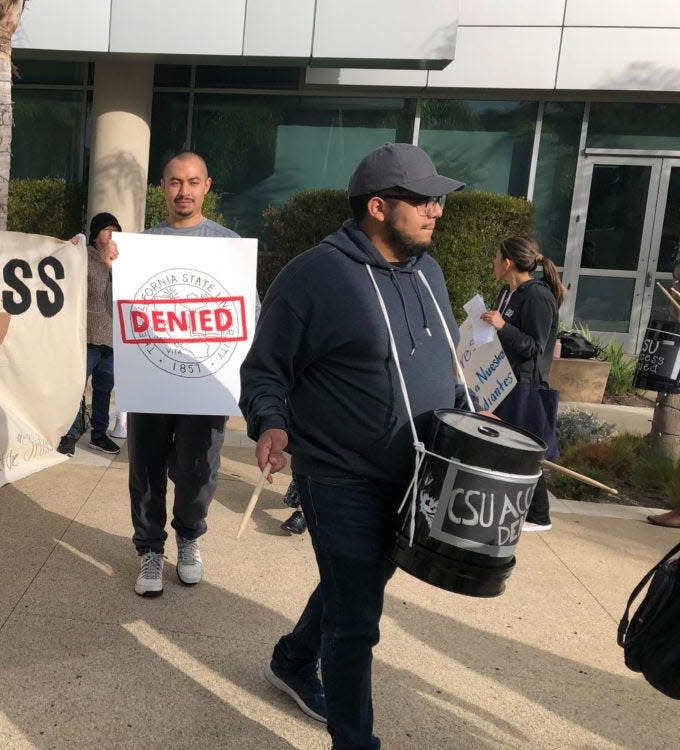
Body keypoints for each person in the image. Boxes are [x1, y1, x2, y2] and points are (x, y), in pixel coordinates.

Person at [239, 143, 465, 749]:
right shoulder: (316, 275)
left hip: (415, 469)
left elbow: (438, 357)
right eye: (421, 200)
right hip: (338, 473)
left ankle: (291, 658)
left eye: (436, 199)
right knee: (358, 618)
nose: (436, 210)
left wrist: (468, 411)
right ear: (377, 206)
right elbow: (264, 370)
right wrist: (270, 422)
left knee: (355, 584)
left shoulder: (430, 271)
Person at [128, 151, 239, 597]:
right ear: (163, 187)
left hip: (206, 386)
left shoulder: (228, 245)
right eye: (175, 182)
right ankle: (151, 550)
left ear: (207, 186)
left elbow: (244, 314)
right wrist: (109, 258)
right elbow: (125, 307)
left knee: (199, 471)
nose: (184, 192)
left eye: (193, 182)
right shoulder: (142, 245)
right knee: (147, 470)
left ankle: (189, 538)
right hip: (152, 381)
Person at [480, 235, 565, 533]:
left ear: (508, 262)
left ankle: (539, 515)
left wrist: (503, 327)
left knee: (524, 449)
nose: (493, 262)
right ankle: (521, 510)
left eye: (495, 257)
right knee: (508, 447)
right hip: (502, 380)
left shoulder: (537, 297)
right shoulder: (507, 293)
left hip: (525, 386)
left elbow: (535, 347)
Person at [57, 212, 122, 457]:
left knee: (105, 389)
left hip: (112, 339)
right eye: (107, 229)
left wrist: (114, 267)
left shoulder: (124, 261)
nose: (112, 234)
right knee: (76, 388)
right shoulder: (83, 257)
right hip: (86, 337)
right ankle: (70, 435)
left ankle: (99, 435)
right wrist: (70, 246)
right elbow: (62, 268)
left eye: (116, 229)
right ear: (95, 236)